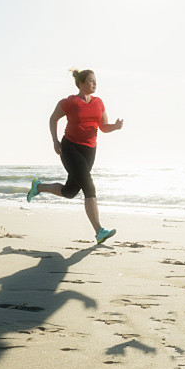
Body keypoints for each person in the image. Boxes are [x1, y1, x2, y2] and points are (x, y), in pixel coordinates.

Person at [27, 69, 124, 244]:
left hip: (90, 150)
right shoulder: (69, 102)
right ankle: (99, 231)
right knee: (88, 185)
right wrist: (55, 141)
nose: (95, 84)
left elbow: (103, 127)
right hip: (70, 147)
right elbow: (53, 119)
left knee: (70, 192)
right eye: (91, 81)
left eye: (96, 81)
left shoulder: (99, 103)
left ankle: (38, 187)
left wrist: (115, 127)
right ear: (81, 83)